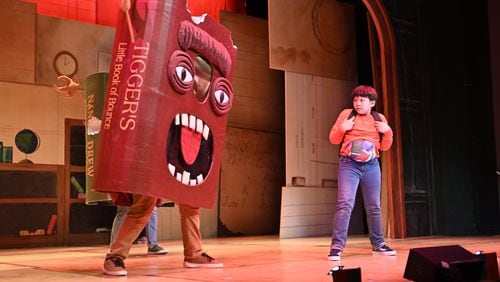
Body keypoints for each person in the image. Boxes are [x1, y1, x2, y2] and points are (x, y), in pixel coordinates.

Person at [327, 85, 396, 261]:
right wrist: (343, 128)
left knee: (374, 206)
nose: (357, 103)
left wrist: (387, 131)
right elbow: (333, 139)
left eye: (362, 100)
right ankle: (337, 247)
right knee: (345, 204)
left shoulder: (379, 118)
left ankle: (378, 244)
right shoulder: (346, 114)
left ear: (371, 103)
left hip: (372, 165)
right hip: (349, 164)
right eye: (355, 100)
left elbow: (385, 146)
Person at [102, 194, 222, 276]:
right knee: (144, 203)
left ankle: (194, 253)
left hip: (176, 158)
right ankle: (115, 256)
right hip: (150, 159)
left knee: (189, 200)